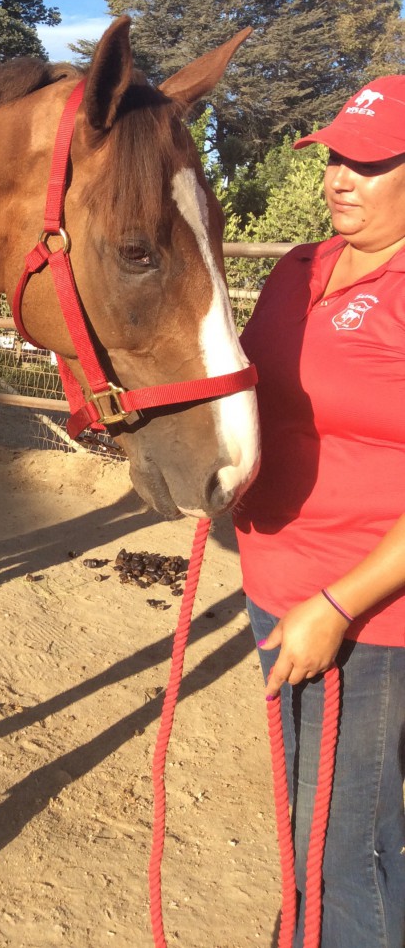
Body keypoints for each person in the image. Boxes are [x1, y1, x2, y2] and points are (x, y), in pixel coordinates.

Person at [233, 75, 405, 948]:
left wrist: (337, 608)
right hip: (272, 582)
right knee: (310, 812)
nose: (340, 176)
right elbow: (256, 393)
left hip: (366, 613)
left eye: (369, 163)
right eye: (337, 155)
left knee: (352, 843)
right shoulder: (301, 267)